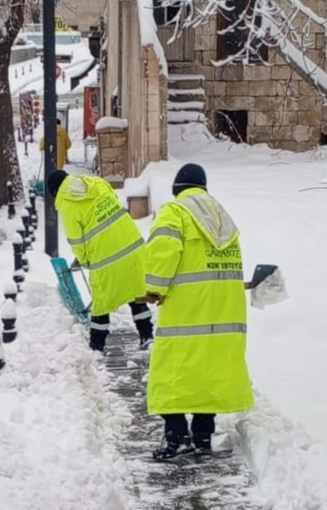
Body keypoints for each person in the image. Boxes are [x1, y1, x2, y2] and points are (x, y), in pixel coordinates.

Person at [143, 163, 254, 459]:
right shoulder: (222, 216)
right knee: (210, 371)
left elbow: (162, 252)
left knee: (171, 373)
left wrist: (154, 289)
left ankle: (177, 436)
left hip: (187, 311)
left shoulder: (176, 212)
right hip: (224, 311)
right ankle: (203, 434)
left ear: (177, 190)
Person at [46, 169, 153, 352]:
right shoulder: (95, 184)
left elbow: (77, 240)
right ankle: (147, 336)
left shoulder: (67, 204)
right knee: (136, 294)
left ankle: (97, 346)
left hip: (106, 257)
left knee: (101, 303)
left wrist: (85, 260)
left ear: (56, 191)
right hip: (132, 246)